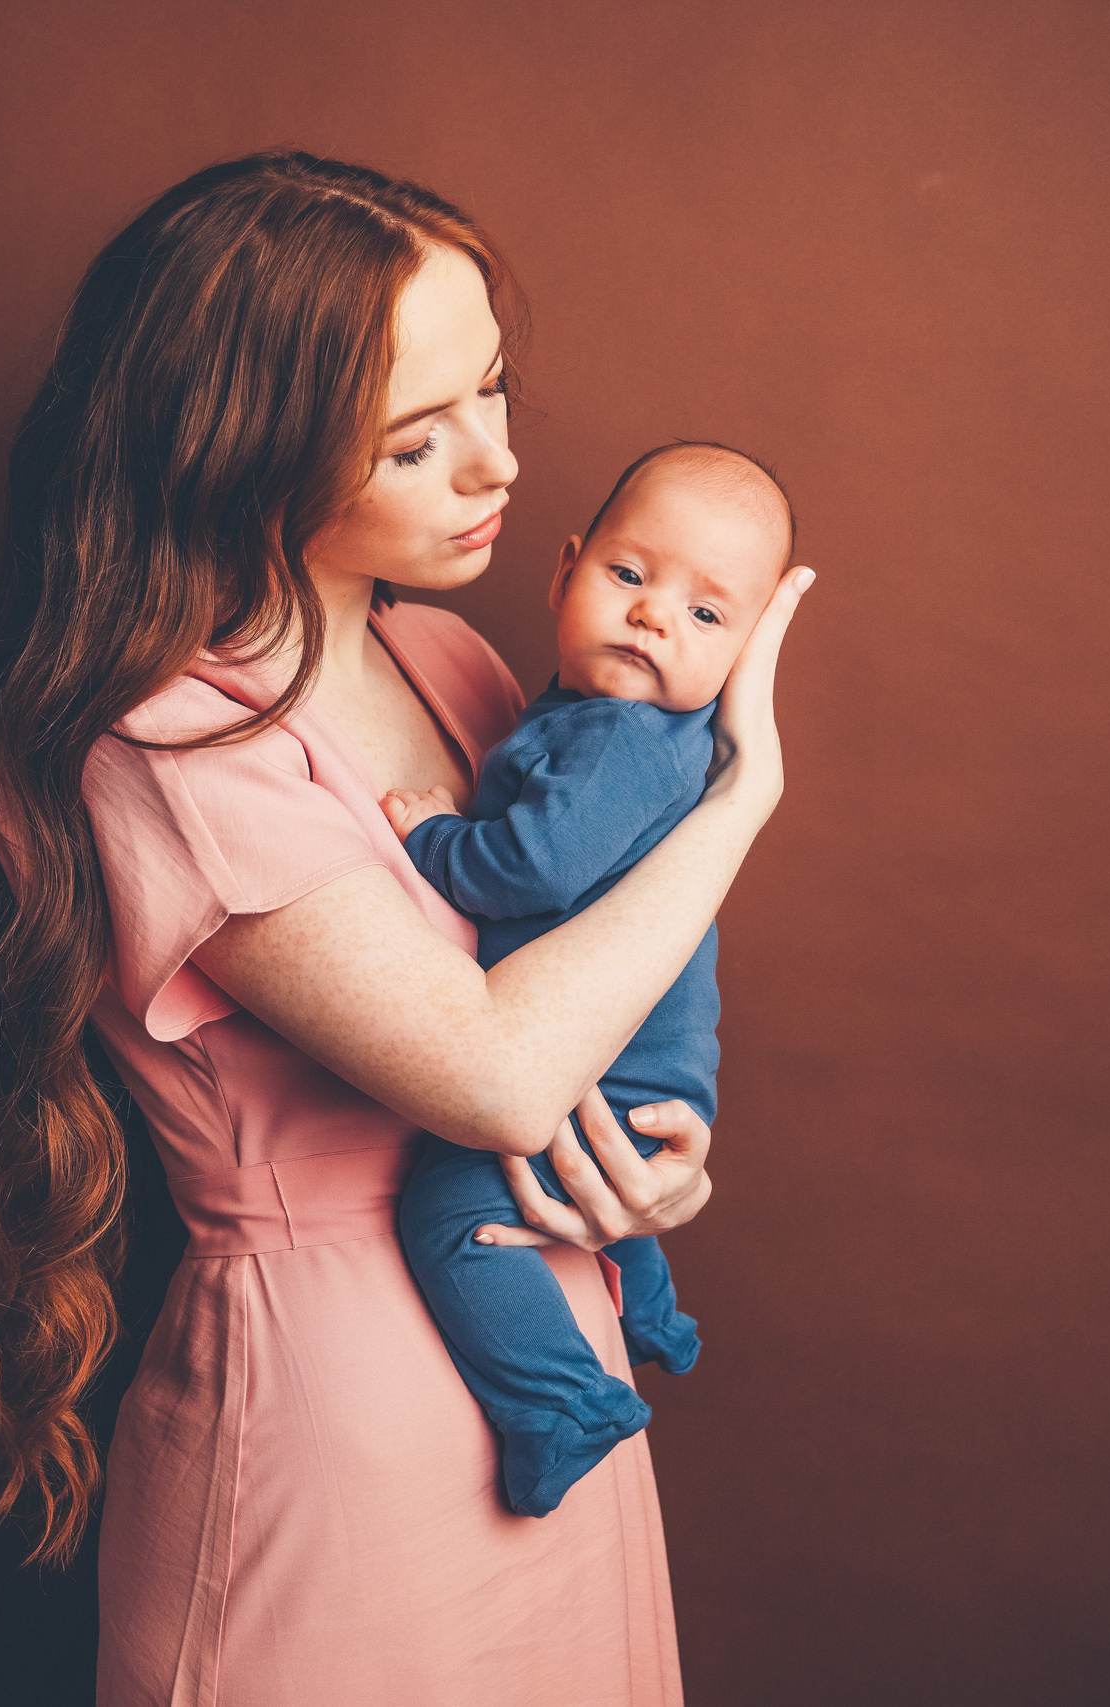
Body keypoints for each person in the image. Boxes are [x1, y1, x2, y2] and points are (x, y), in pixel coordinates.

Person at [0, 151, 813, 1706]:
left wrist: (646, 1166)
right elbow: (494, 1073)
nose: (499, 462)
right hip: (341, 1431)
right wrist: (740, 795)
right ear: (246, 450)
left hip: (557, 1344)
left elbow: (586, 990)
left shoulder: (456, 662)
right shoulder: (165, 738)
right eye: (416, 437)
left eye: (494, 388)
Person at [384, 441, 799, 1520]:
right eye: (629, 575)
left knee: (449, 1214)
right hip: (636, 1067)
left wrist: (433, 837)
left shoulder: (619, 738)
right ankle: (649, 1312)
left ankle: (565, 1404)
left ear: (746, 654)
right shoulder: (596, 718)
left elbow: (532, 866)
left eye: (706, 614)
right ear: (565, 571)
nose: (654, 616)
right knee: (598, 1191)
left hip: (601, 1072)